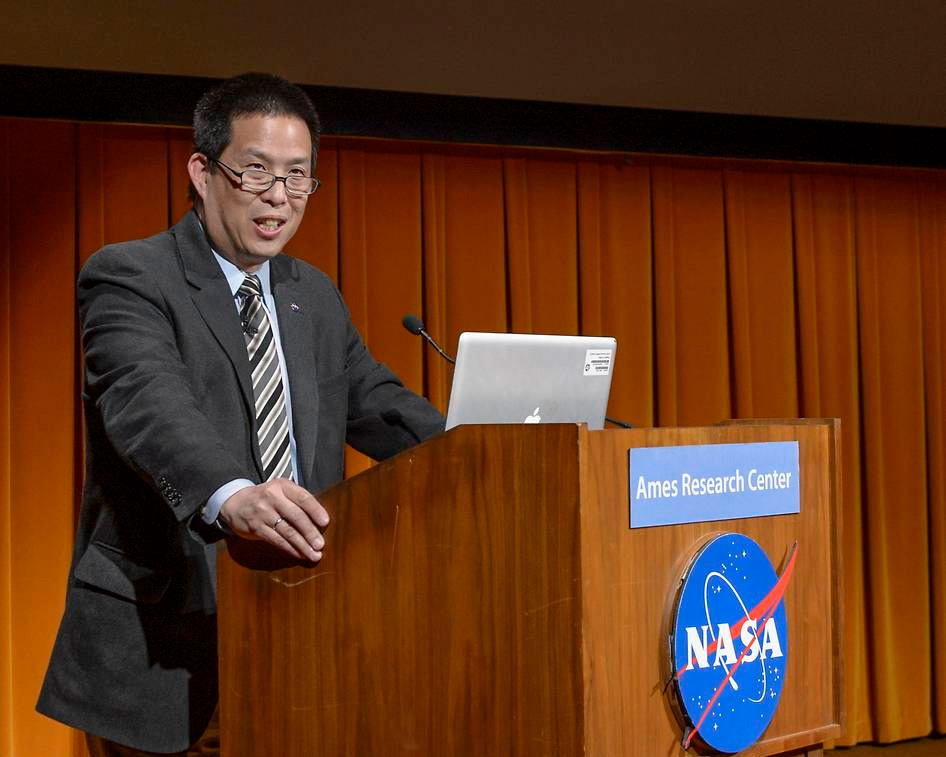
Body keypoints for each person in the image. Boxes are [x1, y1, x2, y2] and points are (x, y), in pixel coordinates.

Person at [36, 72, 444, 756]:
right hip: (164, 647)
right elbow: (147, 404)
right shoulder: (130, 276)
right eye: (256, 172)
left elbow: (378, 404)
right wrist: (230, 494)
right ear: (203, 170)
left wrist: (493, 443)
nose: (279, 198)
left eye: (298, 177)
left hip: (300, 640)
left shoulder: (310, 293)